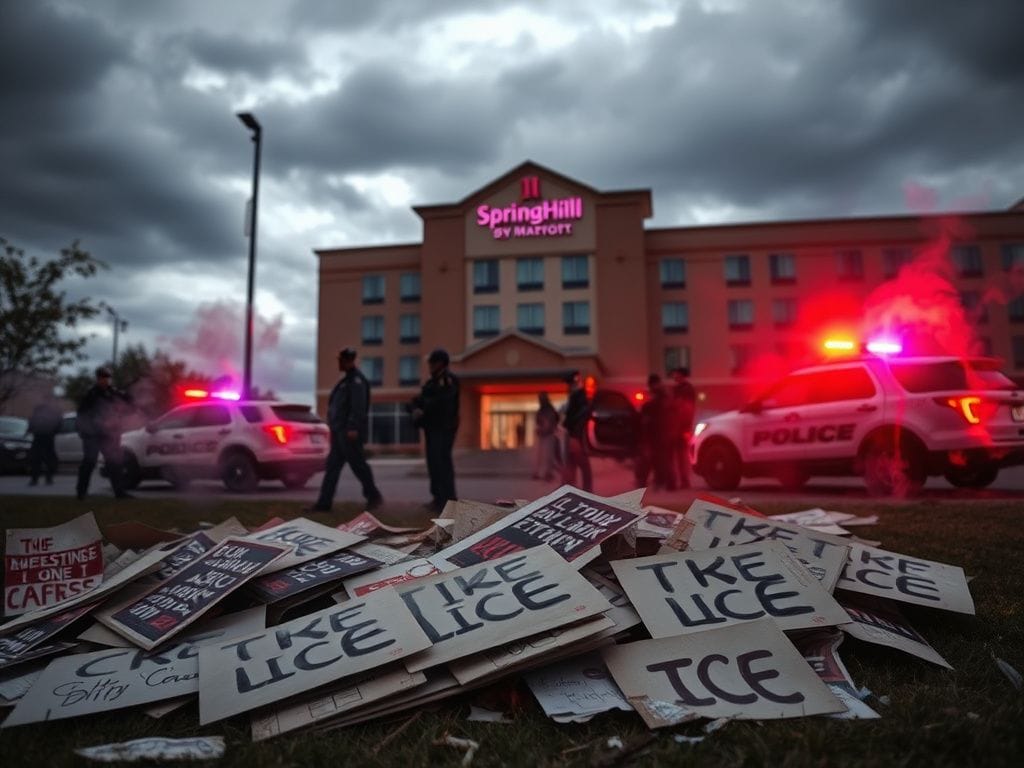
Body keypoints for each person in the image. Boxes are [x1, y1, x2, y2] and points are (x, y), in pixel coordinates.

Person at [307, 348, 383, 512]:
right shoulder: (345, 381)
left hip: (349, 433)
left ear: (348, 361)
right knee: (332, 467)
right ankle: (324, 503)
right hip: (339, 432)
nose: (338, 363)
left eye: (341, 360)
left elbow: (358, 407)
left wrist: (353, 427)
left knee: (359, 466)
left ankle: (374, 496)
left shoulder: (356, 381)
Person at [410, 348, 459, 512]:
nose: (430, 365)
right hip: (431, 428)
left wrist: (424, 408)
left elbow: (442, 402)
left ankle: (448, 500)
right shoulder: (431, 382)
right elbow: (419, 399)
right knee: (433, 464)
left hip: (443, 429)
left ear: (440, 363)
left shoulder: (448, 381)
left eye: (432, 362)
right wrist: (414, 408)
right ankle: (438, 498)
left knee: (441, 463)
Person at [76, 366, 133, 500]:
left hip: (109, 434)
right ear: (98, 379)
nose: (105, 381)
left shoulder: (113, 393)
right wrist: (85, 431)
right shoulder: (91, 394)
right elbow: (82, 414)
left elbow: (128, 401)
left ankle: (119, 492)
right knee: (89, 462)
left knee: (115, 463)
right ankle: (81, 492)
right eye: (102, 378)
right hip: (93, 434)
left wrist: (126, 391)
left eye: (107, 378)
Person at [635, 373, 675, 490]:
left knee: (656, 459)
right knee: (661, 459)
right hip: (663, 432)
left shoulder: (660, 396)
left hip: (659, 433)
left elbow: (658, 411)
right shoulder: (664, 394)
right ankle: (662, 482)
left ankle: (664, 483)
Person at [561, 370, 593, 492]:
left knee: (579, 466)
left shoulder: (579, 395)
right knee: (577, 466)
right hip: (573, 436)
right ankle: (576, 491)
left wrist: (571, 426)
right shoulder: (576, 396)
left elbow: (581, 414)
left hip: (574, 436)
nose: (568, 387)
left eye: (569, 384)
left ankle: (575, 491)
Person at [670, 366, 697, 489]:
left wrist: (686, 428)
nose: (674, 376)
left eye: (676, 374)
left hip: (681, 427)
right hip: (675, 427)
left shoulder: (686, 389)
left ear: (682, 375)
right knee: (676, 456)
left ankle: (684, 481)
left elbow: (687, 409)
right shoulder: (676, 389)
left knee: (681, 456)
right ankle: (678, 481)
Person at [27, 392, 62, 486]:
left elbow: (32, 421)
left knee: (41, 459)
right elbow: (59, 423)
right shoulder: (49, 410)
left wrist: (30, 429)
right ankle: (42, 479)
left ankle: (41, 479)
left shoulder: (42, 409)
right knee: (42, 459)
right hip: (43, 436)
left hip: (43, 436)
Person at [532, 392, 560, 481]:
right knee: (541, 455)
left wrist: (547, 428)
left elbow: (553, 420)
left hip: (548, 434)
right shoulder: (544, 410)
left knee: (547, 455)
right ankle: (542, 472)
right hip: (545, 434)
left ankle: (547, 473)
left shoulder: (547, 410)